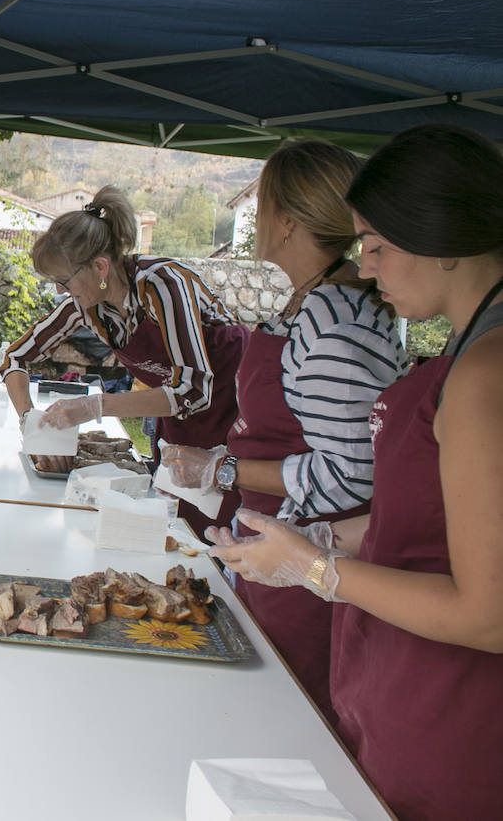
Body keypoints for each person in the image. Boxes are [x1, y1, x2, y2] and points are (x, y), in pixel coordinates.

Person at [209, 124, 503, 821]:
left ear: (443, 240)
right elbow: (446, 516)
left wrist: (318, 569)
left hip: (446, 719)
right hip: (401, 688)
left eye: (376, 245)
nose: (364, 265)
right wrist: (331, 541)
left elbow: (489, 613)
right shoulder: (471, 352)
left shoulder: (485, 373)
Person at [159, 140, 406, 717]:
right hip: (274, 547)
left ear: (286, 222)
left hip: (310, 572)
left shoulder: (334, 325)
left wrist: (220, 467)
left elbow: (351, 475)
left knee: (286, 719)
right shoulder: (311, 303)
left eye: (262, 204)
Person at [2, 185, 250, 535]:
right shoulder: (86, 306)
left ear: (100, 267)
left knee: (227, 532)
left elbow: (193, 391)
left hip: (235, 415)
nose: (59, 290)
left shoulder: (163, 284)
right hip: (180, 420)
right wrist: (31, 422)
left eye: (63, 280)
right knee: (177, 526)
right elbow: (15, 357)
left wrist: (92, 407)